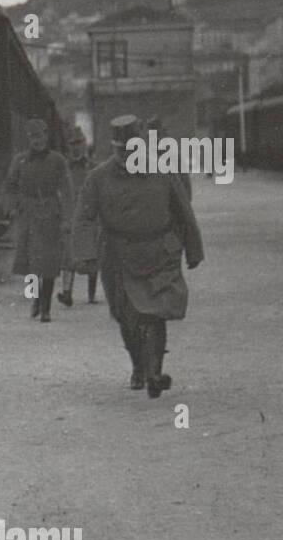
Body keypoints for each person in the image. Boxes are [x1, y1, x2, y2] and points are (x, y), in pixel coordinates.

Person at [72, 114, 204, 398]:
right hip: (117, 255)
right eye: (124, 151)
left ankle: (155, 373)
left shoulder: (163, 171)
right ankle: (138, 366)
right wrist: (85, 253)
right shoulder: (98, 178)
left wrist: (194, 249)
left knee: (155, 313)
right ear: (114, 149)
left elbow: (183, 210)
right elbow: (84, 217)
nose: (129, 156)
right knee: (126, 316)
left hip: (158, 251)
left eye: (135, 149)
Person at [2, 117, 72, 322]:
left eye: (40, 136)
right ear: (28, 139)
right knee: (31, 264)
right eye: (32, 137)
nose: (36, 141)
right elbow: (9, 185)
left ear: (46, 136)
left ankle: (46, 308)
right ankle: (34, 299)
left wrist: (67, 217)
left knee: (49, 264)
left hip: (50, 213)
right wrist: (12, 206)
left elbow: (67, 190)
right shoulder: (20, 160)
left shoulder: (57, 160)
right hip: (28, 215)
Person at [57, 126, 99, 306]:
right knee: (68, 257)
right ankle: (67, 293)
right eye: (72, 143)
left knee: (92, 255)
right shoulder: (63, 169)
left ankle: (91, 294)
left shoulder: (94, 168)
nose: (76, 147)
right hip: (70, 215)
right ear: (67, 146)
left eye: (79, 143)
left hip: (90, 216)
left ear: (85, 145)